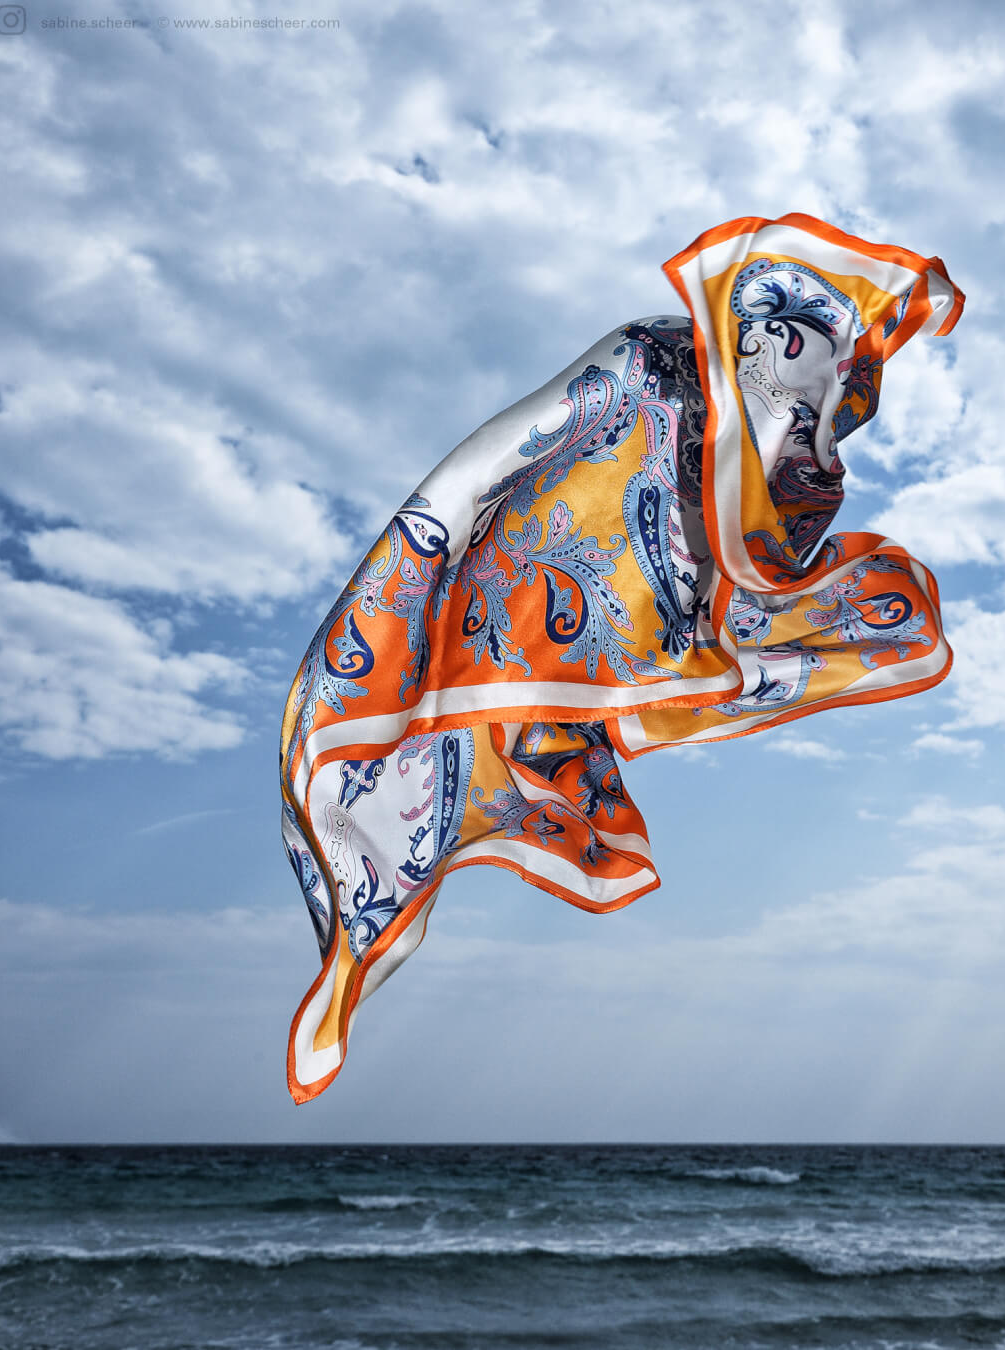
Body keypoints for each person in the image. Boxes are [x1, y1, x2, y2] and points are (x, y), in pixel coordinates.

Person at [280, 212, 964, 1103]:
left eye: (835, 413)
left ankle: (381, 924)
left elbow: (781, 529)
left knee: (498, 765)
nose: (827, 435)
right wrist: (411, 564)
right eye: (816, 404)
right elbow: (487, 461)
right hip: (519, 592)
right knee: (425, 789)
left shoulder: (796, 451)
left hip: (632, 623)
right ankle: (366, 938)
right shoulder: (644, 356)